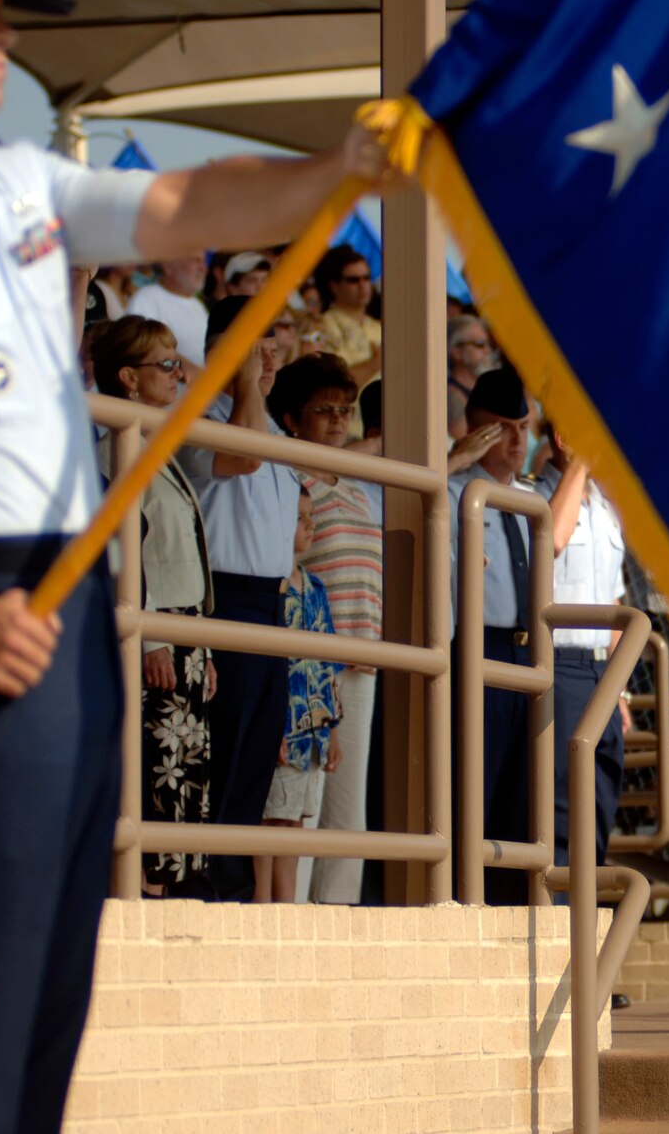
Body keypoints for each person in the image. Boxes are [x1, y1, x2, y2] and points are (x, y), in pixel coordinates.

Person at [0, 0, 385, 1128]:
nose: (1, 38)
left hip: (69, 601)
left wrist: (340, 167)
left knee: (50, 993)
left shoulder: (12, 181)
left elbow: (179, 207)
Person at [178, 296, 304, 902]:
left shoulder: (271, 422)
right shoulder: (198, 410)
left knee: (254, 762)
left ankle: (227, 892)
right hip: (222, 600)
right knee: (220, 757)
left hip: (271, 606)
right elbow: (242, 455)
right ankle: (202, 891)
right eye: (256, 341)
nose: (269, 354)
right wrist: (246, 382)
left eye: (274, 340)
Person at [92, 315, 218, 897]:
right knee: (155, 773)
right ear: (128, 378)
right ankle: (142, 896)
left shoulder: (153, 444)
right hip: (156, 634)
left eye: (177, 363)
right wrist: (152, 637)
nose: (177, 375)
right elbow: (127, 550)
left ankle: (167, 900)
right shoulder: (115, 446)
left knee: (185, 775)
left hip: (186, 635)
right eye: (165, 366)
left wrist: (205, 645)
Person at [267, 352, 381, 903]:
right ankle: (297, 923)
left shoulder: (359, 486)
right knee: (303, 798)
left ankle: (339, 916)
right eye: (324, 410)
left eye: (345, 409)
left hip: (361, 657)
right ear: (292, 419)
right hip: (310, 660)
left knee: (346, 803)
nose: (338, 419)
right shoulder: (290, 479)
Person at [530, 424, 630, 879]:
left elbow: (613, 600)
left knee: (600, 802)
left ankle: (584, 929)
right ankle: (560, 928)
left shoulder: (604, 509)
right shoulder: (534, 497)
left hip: (600, 671)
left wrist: (620, 687)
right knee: (563, 809)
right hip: (560, 665)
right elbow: (551, 540)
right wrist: (580, 462)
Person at [449, 367, 533, 903]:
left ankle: (505, 909)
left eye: (524, 427)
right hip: (474, 646)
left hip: (525, 654)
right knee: (471, 786)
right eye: (503, 428)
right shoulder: (454, 490)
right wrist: (453, 458)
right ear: (475, 429)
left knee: (519, 796)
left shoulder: (527, 502)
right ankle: (464, 899)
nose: (517, 441)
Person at [257, 487, 341, 903]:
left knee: (294, 821)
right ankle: (261, 903)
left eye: (311, 517)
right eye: (299, 517)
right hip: (284, 726)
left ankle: (285, 907)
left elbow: (329, 665)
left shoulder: (316, 589)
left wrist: (334, 732)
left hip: (314, 731)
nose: (310, 525)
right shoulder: (271, 589)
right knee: (271, 817)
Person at [313, 243, 382, 434]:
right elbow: (334, 386)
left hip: (383, 431)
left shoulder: (378, 327)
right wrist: (376, 362)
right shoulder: (322, 326)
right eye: (353, 280)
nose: (363, 285)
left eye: (367, 278)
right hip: (346, 431)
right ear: (334, 285)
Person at [125, 254, 209, 367]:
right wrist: (189, 370)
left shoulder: (198, 305)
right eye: (195, 260)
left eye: (203, 261)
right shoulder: (145, 299)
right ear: (168, 265)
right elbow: (139, 349)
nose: (203, 267)